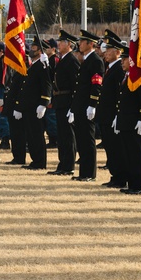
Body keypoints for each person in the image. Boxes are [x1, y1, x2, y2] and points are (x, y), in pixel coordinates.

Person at [70, 29, 105, 182]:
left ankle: (90, 173)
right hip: (80, 106)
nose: (79, 44)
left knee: (88, 140)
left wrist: (92, 104)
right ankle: (83, 172)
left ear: (90, 44)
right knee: (81, 140)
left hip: (87, 107)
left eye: (82, 42)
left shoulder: (96, 61)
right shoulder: (86, 60)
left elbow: (96, 85)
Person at [116, 49, 141, 194]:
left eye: (124, 59)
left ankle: (139, 186)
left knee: (137, 155)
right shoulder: (127, 76)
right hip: (126, 121)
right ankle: (132, 184)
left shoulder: (139, 78)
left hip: (134, 122)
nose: (122, 62)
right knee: (129, 154)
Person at [98, 36, 127, 188]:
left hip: (113, 115)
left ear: (117, 52)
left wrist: (118, 114)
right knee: (110, 147)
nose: (106, 53)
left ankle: (120, 177)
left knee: (116, 148)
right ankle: (115, 175)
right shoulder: (110, 68)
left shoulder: (119, 69)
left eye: (109, 50)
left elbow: (119, 94)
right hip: (105, 115)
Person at [49, 31, 80, 176]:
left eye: (61, 42)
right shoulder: (63, 59)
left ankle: (69, 166)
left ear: (69, 45)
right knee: (62, 136)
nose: (59, 44)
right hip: (60, 101)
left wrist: (73, 107)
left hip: (67, 101)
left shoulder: (72, 60)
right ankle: (62, 164)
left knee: (68, 136)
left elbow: (75, 85)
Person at [20, 40, 53, 170]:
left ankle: (40, 162)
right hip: (29, 106)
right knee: (31, 135)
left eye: (34, 47)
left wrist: (44, 103)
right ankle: (35, 160)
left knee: (37, 135)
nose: (31, 49)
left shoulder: (42, 65)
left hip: (36, 106)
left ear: (40, 51)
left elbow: (47, 84)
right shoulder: (34, 65)